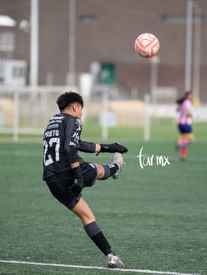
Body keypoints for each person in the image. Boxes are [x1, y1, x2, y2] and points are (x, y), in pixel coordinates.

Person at [42, 91, 128, 268]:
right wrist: (79, 177)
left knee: (87, 216)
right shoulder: (74, 120)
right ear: (75, 107)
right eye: (81, 109)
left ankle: (111, 256)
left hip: (52, 181)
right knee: (96, 169)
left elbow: (77, 144)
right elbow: (69, 149)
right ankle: (116, 167)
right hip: (68, 173)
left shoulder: (52, 122)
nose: (81, 114)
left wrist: (107, 147)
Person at [176, 91, 193, 160]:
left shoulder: (182, 103)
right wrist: (193, 115)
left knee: (184, 139)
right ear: (187, 96)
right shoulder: (187, 103)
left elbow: (177, 110)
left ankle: (183, 155)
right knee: (190, 139)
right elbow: (188, 113)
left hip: (180, 123)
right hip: (186, 123)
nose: (192, 97)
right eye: (190, 96)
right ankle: (179, 143)